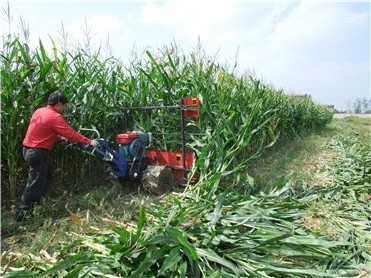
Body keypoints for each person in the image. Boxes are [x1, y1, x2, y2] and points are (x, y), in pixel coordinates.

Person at [15, 90, 99, 221]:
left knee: (46, 177)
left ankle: (38, 207)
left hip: (28, 149)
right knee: (35, 184)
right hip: (37, 152)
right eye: (64, 105)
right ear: (59, 104)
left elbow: (43, 131)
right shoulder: (55, 117)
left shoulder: (40, 111)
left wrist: (61, 138)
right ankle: (23, 215)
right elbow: (71, 133)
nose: (64, 108)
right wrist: (89, 141)